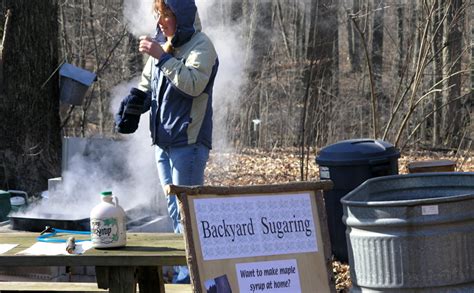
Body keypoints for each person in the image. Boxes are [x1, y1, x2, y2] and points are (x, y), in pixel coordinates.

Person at [115, 0, 219, 283]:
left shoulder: (202, 46)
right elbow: (148, 85)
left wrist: (162, 57)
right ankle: (184, 271)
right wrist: (134, 103)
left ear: (181, 17)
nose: (160, 22)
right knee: (174, 209)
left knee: (187, 209)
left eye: (166, 16)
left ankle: (192, 277)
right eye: (158, 16)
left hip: (190, 143)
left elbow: (194, 85)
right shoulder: (163, 45)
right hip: (163, 143)